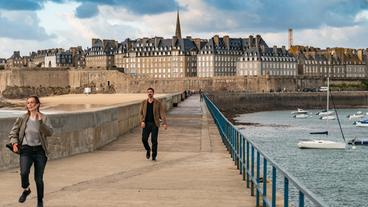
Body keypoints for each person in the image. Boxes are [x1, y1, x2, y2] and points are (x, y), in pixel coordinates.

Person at [9, 96, 54, 207]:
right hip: (26, 149)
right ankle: (26, 189)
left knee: (38, 179)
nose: (30, 105)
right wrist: (14, 143)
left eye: (32, 102)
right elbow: (13, 133)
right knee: (24, 173)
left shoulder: (44, 118)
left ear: (37, 104)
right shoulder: (22, 118)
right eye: (28, 103)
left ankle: (40, 201)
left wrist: (40, 123)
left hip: (40, 151)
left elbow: (50, 133)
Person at [139, 88, 167, 161]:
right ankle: (148, 149)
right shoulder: (144, 102)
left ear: (153, 93)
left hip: (155, 124)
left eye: (151, 92)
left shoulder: (158, 102)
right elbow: (141, 113)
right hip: (146, 124)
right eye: (148, 92)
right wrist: (142, 121)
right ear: (147, 93)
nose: (149, 93)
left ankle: (154, 155)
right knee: (144, 139)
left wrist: (164, 123)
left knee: (154, 140)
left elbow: (162, 113)